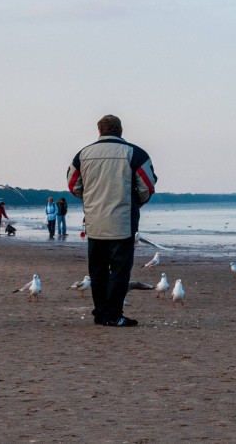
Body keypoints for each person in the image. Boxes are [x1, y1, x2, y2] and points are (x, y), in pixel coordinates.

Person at [66, 114, 156, 327]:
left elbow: (73, 184)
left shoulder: (83, 154)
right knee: (119, 270)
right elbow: (148, 186)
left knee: (97, 270)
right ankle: (114, 315)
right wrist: (136, 202)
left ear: (99, 131)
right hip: (122, 221)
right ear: (120, 130)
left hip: (94, 221)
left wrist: (90, 200)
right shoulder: (134, 153)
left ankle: (100, 313)